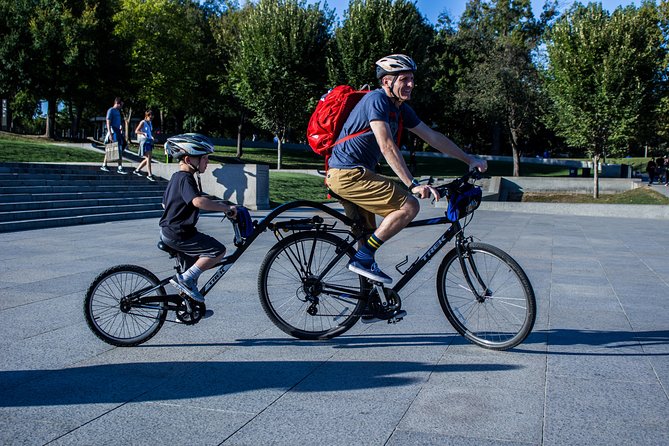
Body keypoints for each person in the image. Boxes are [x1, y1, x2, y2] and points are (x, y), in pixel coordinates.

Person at [326, 54, 487, 294]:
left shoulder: (400, 109)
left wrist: (468, 158)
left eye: (412, 79)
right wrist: (411, 184)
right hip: (348, 174)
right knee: (409, 206)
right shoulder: (377, 100)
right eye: (404, 79)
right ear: (386, 82)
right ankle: (362, 258)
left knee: (367, 236)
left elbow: (432, 137)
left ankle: (367, 301)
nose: (410, 85)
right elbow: (387, 145)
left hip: (356, 175)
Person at [159, 133, 237, 302]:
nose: (207, 162)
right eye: (204, 158)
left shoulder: (176, 178)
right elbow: (198, 201)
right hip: (180, 234)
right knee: (217, 251)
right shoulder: (185, 178)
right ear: (188, 160)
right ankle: (186, 279)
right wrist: (226, 208)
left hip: (171, 231)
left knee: (191, 271)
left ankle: (186, 308)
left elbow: (165, 204)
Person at [101, 97, 127, 174]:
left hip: (118, 131)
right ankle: (119, 167)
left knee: (122, 145)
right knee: (117, 148)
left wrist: (120, 127)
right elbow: (108, 122)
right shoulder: (111, 110)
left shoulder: (118, 112)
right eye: (121, 105)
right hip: (113, 131)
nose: (121, 107)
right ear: (117, 103)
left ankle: (104, 165)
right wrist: (110, 133)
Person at [133, 109, 156, 181]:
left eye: (152, 116)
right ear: (147, 116)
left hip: (149, 141)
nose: (151, 117)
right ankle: (150, 174)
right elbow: (136, 131)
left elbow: (149, 132)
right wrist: (142, 133)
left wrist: (151, 137)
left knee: (148, 158)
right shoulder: (143, 122)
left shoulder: (150, 123)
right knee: (148, 158)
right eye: (150, 116)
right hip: (145, 141)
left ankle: (137, 170)